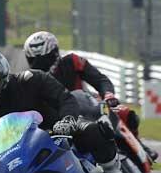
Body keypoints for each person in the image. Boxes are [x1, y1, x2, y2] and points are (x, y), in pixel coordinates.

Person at [0, 50, 135, 173]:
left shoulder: (31, 79)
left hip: (60, 131)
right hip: (25, 154)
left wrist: (67, 120)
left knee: (94, 130)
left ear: (0, 74)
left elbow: (65, 99)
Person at [24, 31, 157, 160]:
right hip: (64, 123)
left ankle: (142, 148)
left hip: (91, 107)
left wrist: (108, 96)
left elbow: (100, 80)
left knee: (125, 113)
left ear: (55, 54)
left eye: (43, 59)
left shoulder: (72, 61)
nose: (39, 64)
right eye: (34, 60)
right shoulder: (31, 80)